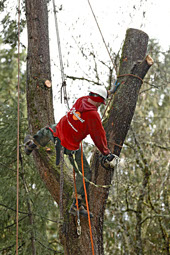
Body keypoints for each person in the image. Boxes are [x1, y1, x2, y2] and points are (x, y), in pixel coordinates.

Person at [24, 85, 116, 218]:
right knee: (84, 173)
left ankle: (32, 144)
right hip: (70, 144)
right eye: (101, 103)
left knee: (48, 130)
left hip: (59, 130)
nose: (100, 106)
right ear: (98, 100)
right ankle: (76, 205)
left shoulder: (82, 100)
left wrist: (108, 92)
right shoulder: (93, 115)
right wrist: (106, 153)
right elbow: (98, 137)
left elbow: (96, 96)